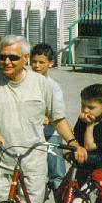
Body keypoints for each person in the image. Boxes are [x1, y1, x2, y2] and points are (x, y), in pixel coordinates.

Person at [0, 35, 85, 203]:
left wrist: (73, 143)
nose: (7, 61)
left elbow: (58, 118)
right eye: (2, 57)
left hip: (33, 161)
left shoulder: (42, 84)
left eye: (13, 57)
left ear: (25, 58)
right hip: (0, 162)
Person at [30, 43, 67, 190]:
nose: (37, 66)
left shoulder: (53, 86)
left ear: (50, 63)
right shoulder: (27, 82)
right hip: (32, 133)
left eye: (41, 62)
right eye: (34, 62)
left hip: (50, 133)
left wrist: (47, 117)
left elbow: (58, 113)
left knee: (57, 174)